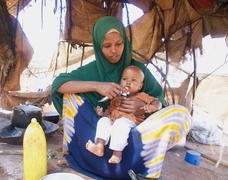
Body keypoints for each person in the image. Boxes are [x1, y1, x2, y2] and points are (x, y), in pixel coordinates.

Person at [51, 16, 192, 179]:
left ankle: (140, 166)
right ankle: (90, 157)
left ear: (125, 41)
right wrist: (97, 86)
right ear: (98, 46)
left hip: (135, 138)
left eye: (119, 44)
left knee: (180, 114)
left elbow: (160, 101)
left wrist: (142, 106)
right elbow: (58, 84)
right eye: (107, 46)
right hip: (99, 134)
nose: (114, 50)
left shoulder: (138, 70)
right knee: (69, 95)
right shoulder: (91, 70)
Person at [86, 65, 162, 164]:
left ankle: (117, 153)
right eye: (124, 79)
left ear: (140, 86)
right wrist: (102, 113)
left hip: (130, 121)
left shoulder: (142, 96)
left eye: (133, 80)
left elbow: (158, 102)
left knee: (120, 124)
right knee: (103, 121)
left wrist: (152, 107)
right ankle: (99, 146)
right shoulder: (117, 97)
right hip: (113, 120)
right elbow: (110, 111)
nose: (128, 82)